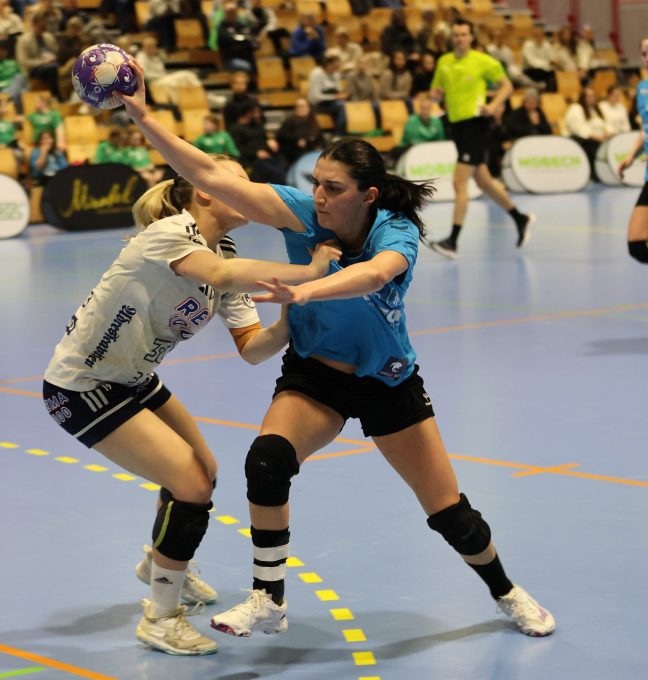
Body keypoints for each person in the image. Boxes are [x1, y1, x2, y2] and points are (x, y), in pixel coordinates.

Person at [118, 58, 557, 643]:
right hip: (314, 377)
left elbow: (373, 275)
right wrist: (143, 117)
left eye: (333, 188)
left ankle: (506, 592)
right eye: (317, 183)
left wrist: (305, 286)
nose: (319, 196)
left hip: (386, 381)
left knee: (448, 510)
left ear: (367, 195)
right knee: (266, 461)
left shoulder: (394, 230)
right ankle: (268, 598)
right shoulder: (302, 213)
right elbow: (212, 177)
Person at [41, 157, 342, 655]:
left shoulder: (224, 249)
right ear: (204, 190)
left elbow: (252, 349)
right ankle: (160, 618)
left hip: (134, 379)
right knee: (192, 486)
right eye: (237, 182)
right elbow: (221, 274)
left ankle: (158, 562)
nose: (249, 190)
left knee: (204, 470)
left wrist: (292, 315)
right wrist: (310, 271)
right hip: (83, 386)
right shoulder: (170, 233)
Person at [428, 18, 534, 259]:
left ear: (471, 37)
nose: (460, 38)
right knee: (484, 181)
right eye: (456, 35)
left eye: (464, 34)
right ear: (452, 38)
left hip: (476, 124)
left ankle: (452, 242)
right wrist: (435, 96)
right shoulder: (444, 62)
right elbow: (436, 94)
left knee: (459, 182)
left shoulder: (483, 61)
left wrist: (494, 105)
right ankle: (521, 218)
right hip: (456, 126)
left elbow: (507, 86)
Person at [617, 36, 648, 265]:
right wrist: (630, 156)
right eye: (645, 53)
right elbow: (645, 129)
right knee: (636, 244)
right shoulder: (642, 89)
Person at [275, 96, 324, 166]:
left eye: (303, 106)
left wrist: (319, 146)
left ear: (309, 107)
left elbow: (320, 138)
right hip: (294, 152)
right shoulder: (289, 121)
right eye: (299, 106)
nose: (301, 109)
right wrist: (296, 140)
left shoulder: (313, 121)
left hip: (311, 152)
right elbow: (281, 135)